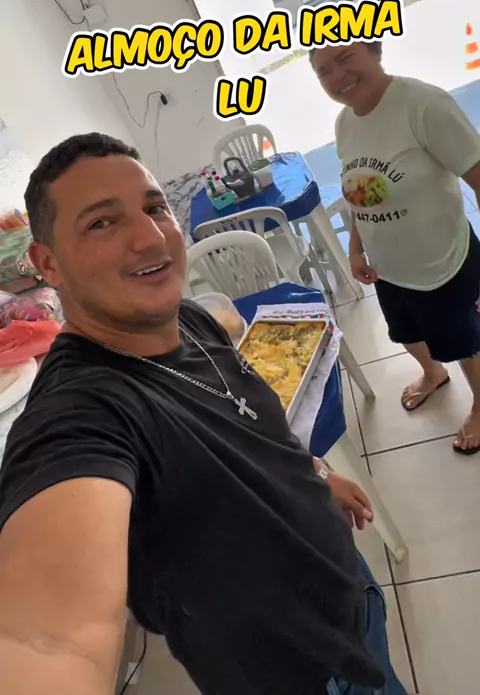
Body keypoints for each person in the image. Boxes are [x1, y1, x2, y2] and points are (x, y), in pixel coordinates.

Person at [0, 134, 408, 695]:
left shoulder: (188, 320)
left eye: (153, 208)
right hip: (301, 674)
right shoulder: (82, 412)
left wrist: (312, 477)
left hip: (351, 596)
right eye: (101, 223)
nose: (150, 237)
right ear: (47, 263)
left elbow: (248, 426)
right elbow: (50, 641)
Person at [310, 40, 480, 455]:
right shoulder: (345, 123)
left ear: (375, 51)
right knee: (405, 331)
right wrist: (355, 248)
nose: (337, 76)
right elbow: (360, 191)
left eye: (345, 58)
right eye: (323, 71)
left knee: (462, 340)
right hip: (388, 266)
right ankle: (433, 373)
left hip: (444, 261)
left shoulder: (422, 104)